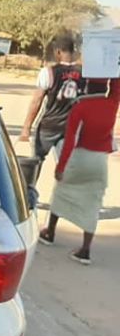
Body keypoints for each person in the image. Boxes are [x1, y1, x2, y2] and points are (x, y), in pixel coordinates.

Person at [39, 80, 120, 264]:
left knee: (61, 193)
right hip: (99, 160)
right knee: (93, 202)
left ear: (89, 86)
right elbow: (117, 88)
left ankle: (50, 232)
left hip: (79, 157)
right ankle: (85, 249)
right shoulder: (112, 104)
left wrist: (61, 167)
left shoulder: (80, 107)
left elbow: (70, 142)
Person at [18, 34, 85, 181]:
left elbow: (37, 100)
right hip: (69, 128)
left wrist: (26, 127)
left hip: (48, 126)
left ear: (58, 52)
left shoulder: (49, 72)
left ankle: (29, 197)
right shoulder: (83, 74)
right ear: (73, 52)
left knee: (35, 163)